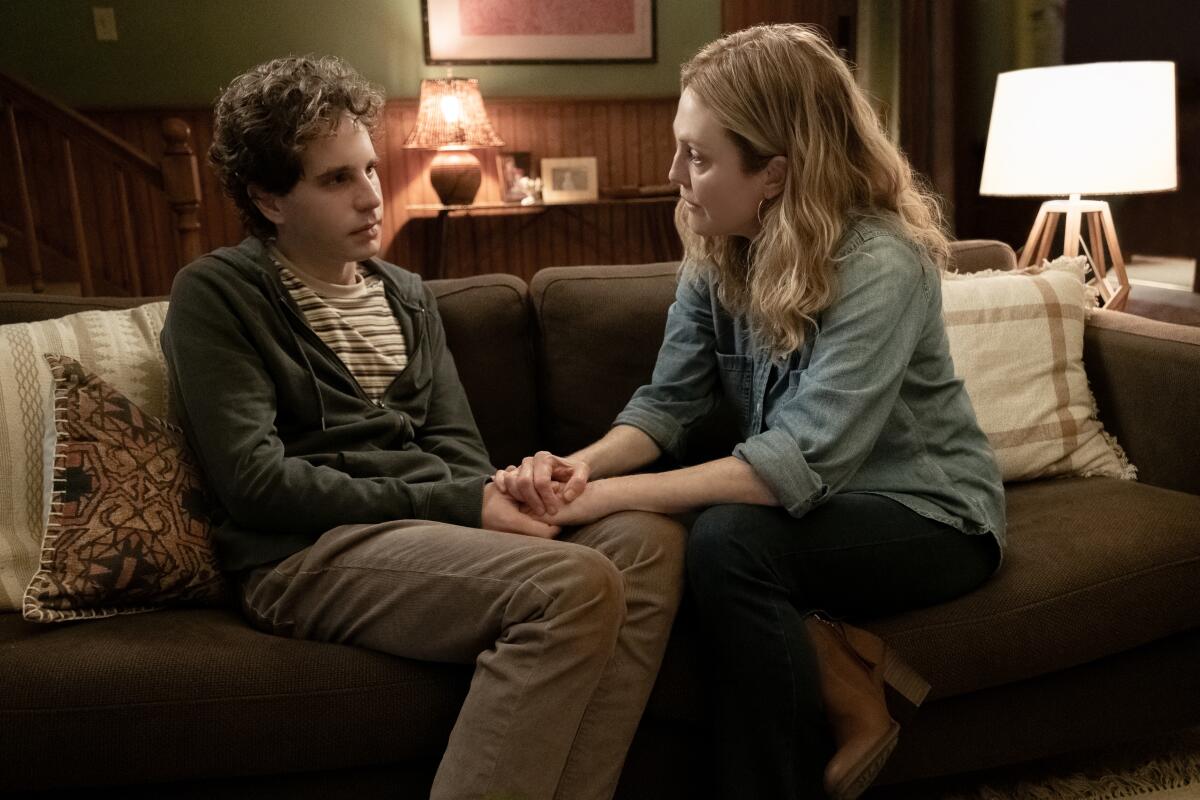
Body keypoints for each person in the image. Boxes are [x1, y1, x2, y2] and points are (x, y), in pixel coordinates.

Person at [495, 24, 1006, 800]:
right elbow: (667, 405)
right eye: (680, 148)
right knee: (682, 527)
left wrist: (600, 497)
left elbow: (796, 464)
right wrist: (580, 469)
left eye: (697, 157)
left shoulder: (880, 266)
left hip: (930, 513)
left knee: (728, 540)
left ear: (774, 171)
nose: (675, 174)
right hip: (817, 510)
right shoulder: (720, 249)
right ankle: (841, 669)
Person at [160, 55, 686, 800]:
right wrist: (460, 502)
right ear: (268, 198)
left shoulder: (405, 293)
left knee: (648, 543)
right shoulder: (218, 293)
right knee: (573, 584)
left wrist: (496, 494)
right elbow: (256, 483)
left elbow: (460, 453)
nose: (371, 196)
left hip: (429, 532)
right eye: (336, 179)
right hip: (303, 555)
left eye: (370, 169)